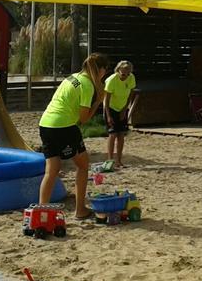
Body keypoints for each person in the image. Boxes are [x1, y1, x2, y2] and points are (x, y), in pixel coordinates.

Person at [38, 52, 109, 218]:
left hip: (45, 123)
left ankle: (42, 212)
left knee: (51, 171)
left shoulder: (73, 77)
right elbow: (83, 119)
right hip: (64, 126)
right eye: (105, 71)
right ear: (101, 70)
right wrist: (98, 101)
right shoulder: (87, 85)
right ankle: (80, 210)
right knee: (83, 166)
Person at [103, 60, 138, 168]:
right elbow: (106, 99)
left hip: (122, 107)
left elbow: (130, 94)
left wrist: (125, 109)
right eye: (123, 74)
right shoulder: (112, 80)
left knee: (121, 134)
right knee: (113, 134)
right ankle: (110, 161)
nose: (125, 76)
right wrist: (108, 116)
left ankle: (119, 161)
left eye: (128, 73)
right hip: (111, 107)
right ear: (118, 70)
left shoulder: (131, 78)